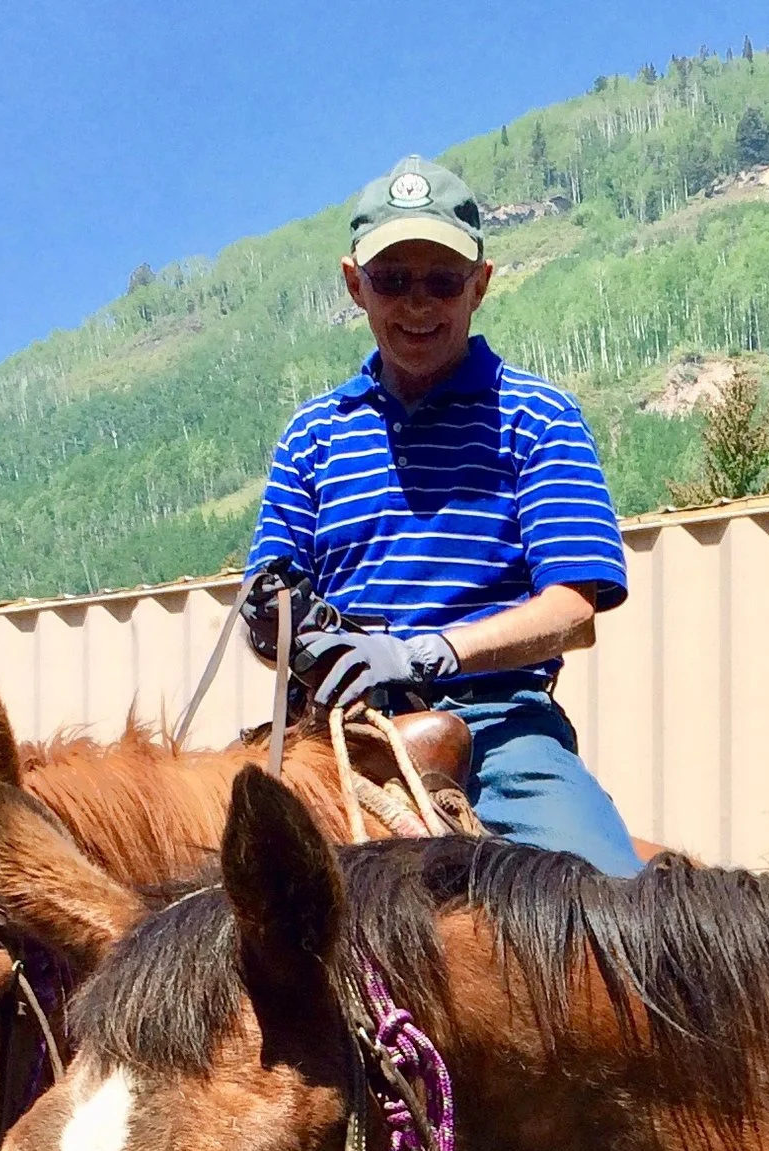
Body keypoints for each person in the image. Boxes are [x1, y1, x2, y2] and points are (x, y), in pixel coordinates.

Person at [248, 154, 642, 878]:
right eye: (393, 280)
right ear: (354, 284)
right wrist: (279, 629)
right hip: (335, 737)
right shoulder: (312, 437)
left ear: (480, 286)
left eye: (442, 280)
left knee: (613, 911)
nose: (418, 303)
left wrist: (427, 652)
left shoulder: (537, 417)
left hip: (499, 734)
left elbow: (572, 611)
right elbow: (271, 607)